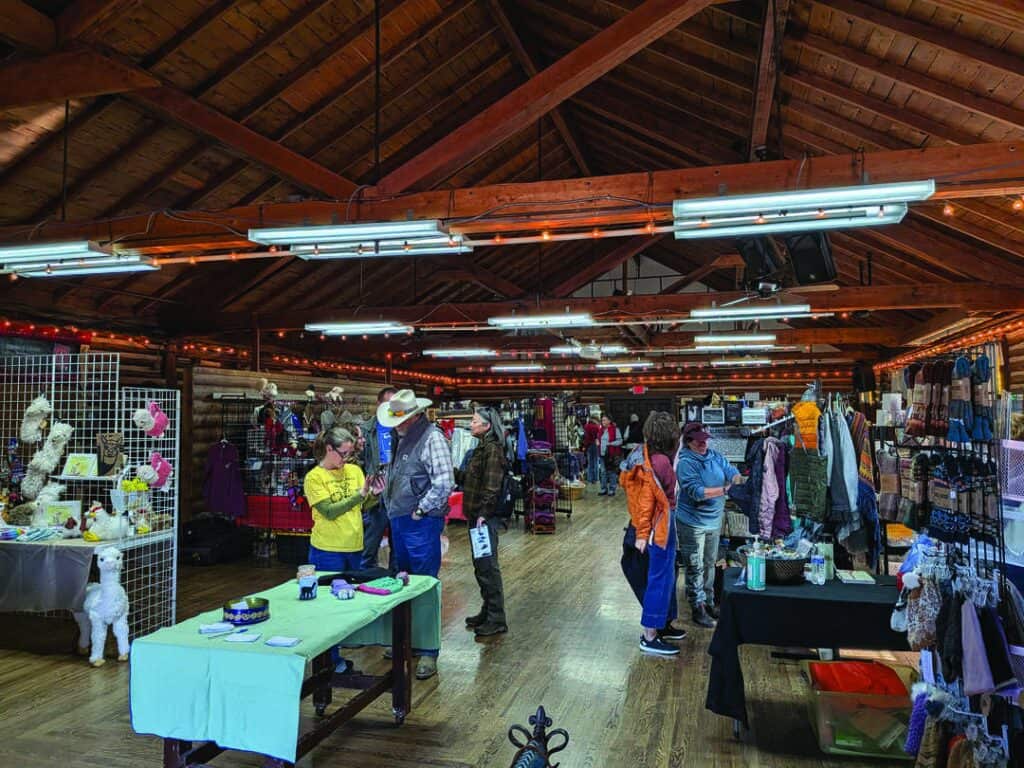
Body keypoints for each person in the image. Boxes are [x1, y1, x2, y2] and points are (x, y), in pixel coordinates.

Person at [379, 389, 454, 680]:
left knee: (424, 585)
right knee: (404, 582)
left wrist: (422, 510)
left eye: (401, 417)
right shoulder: (404, 438)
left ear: (414, 415)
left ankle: (427, 651)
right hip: (403, 520)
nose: (397, 422)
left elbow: (445, 481)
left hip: (419, 522)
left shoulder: (432, 437)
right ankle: (409, 643)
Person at [620, 412, 687, 655]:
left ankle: (662, 624)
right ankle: (650, 634)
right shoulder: (661, 463)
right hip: (657, 528)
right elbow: (654, 500)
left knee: (665, 576)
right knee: (659, 579)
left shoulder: (640, 454)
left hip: (642, 524)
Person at [675, 422, 742, 628]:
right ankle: (698, 607)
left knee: (710, 563)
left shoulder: (714, 455)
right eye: (698, 440)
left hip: (713, 520)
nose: (703, 443)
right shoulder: (686, 463)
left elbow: (731, 470)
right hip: (692, 523)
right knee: (695, 566)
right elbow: (696, 492)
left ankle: (710, 602)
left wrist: (736, 478)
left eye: (705, 439)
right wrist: (725, 490)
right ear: (688, 441)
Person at [454, 407, 508, 637]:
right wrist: (454, 472)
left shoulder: (492, 450)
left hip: (483, 518)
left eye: (475, 421)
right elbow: (472, 479)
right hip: (477, 516)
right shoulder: (481, 448)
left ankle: (496, 618)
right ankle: (488, 611)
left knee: (487, 567)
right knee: (481, 566)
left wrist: (484, 514)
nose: (471, 424)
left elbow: (492, 485)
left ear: (487, 425)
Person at [303, 427, 383, 573]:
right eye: (343, 454)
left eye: (350, 454)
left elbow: (362, 506)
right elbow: (328, 511)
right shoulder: (314, 477)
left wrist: (374, 495)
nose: (346, 458)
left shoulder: (355, 470)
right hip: (327, 549)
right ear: (329, 449)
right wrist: (360, 494)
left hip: (355, 547)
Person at [360, 386, 397, 568]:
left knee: (398, 548)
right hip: (375, 494)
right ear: (378, 404)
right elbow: (357, 461)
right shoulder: (366, 430)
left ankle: (396, 585)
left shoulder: (402, 428)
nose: (390, 408)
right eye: (386, 403)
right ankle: (367, 581)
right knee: (369, 545)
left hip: (398, 494)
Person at [598, 414, 622, 496]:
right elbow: (599, 440)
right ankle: (603, 488)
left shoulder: (615, 430)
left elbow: (620, 441)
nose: (602, 422)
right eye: (602, 420)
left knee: (612, 472)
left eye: (604, 420)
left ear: (609, 421)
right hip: (602, 454)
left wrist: (610, 444)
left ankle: (612, 489)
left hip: (611, 454)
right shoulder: (601, 430)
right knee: (603, 472)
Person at [583, 416, 601, 484]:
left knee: (590, 462)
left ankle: (589, 479)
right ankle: (596, 479)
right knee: (596, 461)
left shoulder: (586, 426)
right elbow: (598, 436)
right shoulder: (597, 427)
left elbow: (585, 437)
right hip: (595, 445)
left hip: (589, 445)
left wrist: (585, 445)